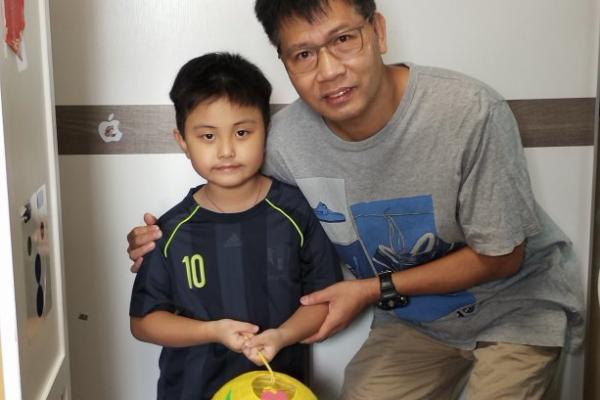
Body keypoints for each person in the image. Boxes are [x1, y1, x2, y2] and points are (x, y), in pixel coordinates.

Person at [127, 1, 585, 399]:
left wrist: (370, 289)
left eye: (343, 39)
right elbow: (231, 202)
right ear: (284, 62)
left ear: (379, 31)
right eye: (304, 54)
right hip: (414, 320)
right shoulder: (282, 142)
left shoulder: (469, 112)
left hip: (513, 305)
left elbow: (503, 256)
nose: (328, 70)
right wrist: (152, 240)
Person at [128, 52, 342, 400]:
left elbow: (323, 300)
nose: (226, 150)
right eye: (208, 136)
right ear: (183, 141)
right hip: (189, 390)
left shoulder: (297, 213)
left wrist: (283, 336)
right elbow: (143, 322)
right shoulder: (170, 230)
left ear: (266, 131)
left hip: (277, 388)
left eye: (242, 132)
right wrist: (213, 331)